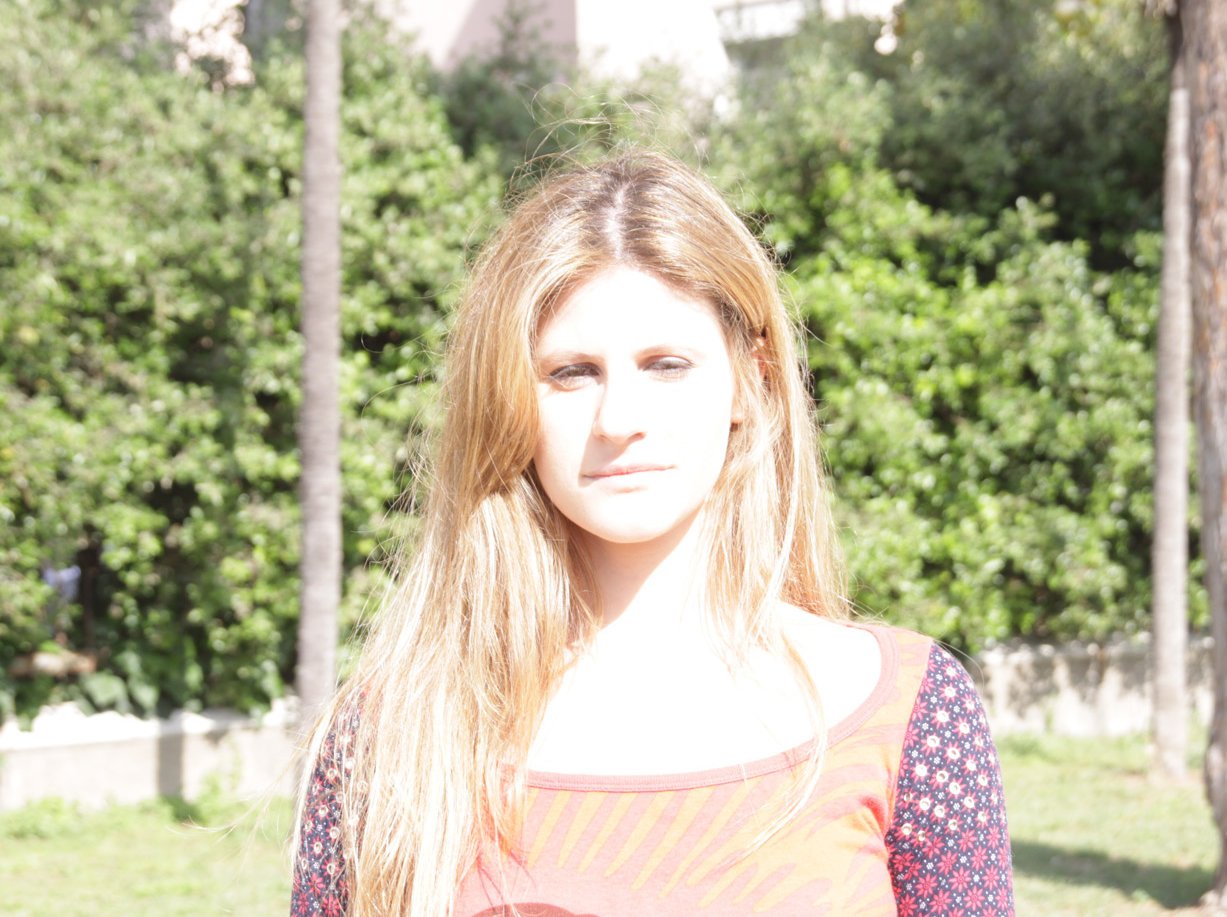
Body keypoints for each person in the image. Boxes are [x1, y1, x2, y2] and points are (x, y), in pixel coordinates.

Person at [289, 151, 1014, 917]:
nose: (619, 419)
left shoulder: (909, 708)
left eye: (665, 364)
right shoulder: (392, 733)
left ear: (753, 382)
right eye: (571, 372)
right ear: (507, 401)